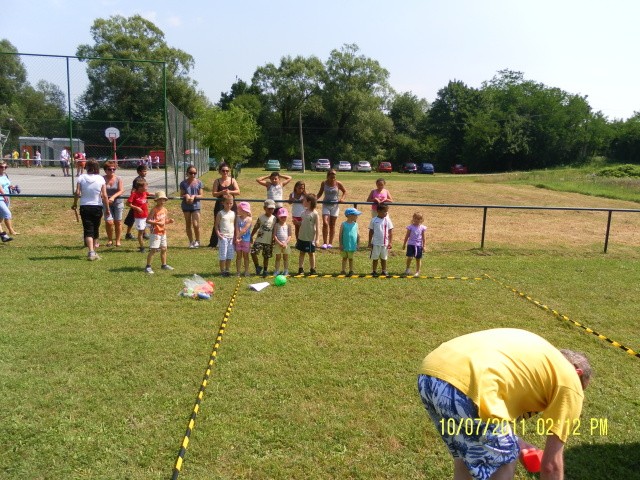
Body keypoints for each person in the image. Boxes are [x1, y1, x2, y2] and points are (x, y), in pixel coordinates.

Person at [418, 328, 592, 480]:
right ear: (577, 372)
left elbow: (495, 424)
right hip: (470, 388)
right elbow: (551, 466)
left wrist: (520, 444)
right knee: (505, 461)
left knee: (465, 451)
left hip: (431, 375)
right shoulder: (570, 381)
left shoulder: (539, 358)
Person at [72, 159, 110, 261]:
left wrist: (75, 203)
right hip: (97, 206)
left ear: (86, 167)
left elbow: (77, 192)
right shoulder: (100, 179)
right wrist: (107, 209)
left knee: (88, 229)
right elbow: (104, 195)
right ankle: (93, 251)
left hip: (85, 206)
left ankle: (91, 251)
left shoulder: (81, 177)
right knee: (95, 228)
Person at [208, 162, 240, 248]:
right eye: (223, 170)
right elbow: (214, 194)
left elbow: (238, 191)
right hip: (220, 204)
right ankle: (214, 243)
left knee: (234, 221)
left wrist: (230, 192)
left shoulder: (233, 180)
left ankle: (234, 240)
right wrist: (221, 192)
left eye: (227, 171)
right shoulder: (217, 181)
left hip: (231, 204)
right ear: (220, 171)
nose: (225, 172)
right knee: (217, 222)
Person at [144, 191, 175, 274]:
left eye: (163, 199)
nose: (162, 201)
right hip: (155, 232)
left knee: (164, 248)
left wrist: (169, 221)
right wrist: (157, 223)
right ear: (156, 200)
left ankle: (164, 265)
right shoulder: (154, 210)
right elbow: (148, 220)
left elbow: (164, 221)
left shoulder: (165, 210)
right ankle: (148, 266)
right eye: (160, 199)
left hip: (163, 232)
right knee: (153, 249)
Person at [316, 169, 347, 249]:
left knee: (332, 224)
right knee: (325, 223)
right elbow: (320, 193)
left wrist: (342, 198)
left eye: (334, 175)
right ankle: (324, 243)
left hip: (335, 206)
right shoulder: (324, 183)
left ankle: (330, 243)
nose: (333, 176)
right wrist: (314, 199)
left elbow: (345, 191)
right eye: (332, 174)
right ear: (328, 175)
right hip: (326, 205)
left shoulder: (338, 183)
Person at [250, 199, 276, 276]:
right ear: (264, 208)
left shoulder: (274, 218)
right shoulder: (261, 217)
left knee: (266, 256)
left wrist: (274, 238)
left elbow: (275, 229)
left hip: (269, 240)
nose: (271, 210)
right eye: (269, 208)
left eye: (272, 208)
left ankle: (265, 270)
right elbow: (256, 227)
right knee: (253, 252)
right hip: (260, 239)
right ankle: (257, 266)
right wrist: (251, 235)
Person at [179, 165, 203, 248]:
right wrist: (186, 195)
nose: (193, 175)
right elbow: (181, 194)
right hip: (186, 206)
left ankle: (198, 241)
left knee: (196, 224)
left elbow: (201, 195)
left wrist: (193, 196)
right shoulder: (183, 183)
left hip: (196, 206)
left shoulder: (199, 182)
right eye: (191, 173)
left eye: (194, 173)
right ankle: (191, 242)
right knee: (188, 224)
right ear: (187, 173)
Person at [296, 193, 320, 275]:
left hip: (310, 238)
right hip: (302, 237)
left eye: (304, 200)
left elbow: (318, 227)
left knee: (311, 253)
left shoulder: (315, 214)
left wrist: (317, 239)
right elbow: (302, 223)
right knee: (302, 252)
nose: (303, 201)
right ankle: (300, 268)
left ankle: (312, 269)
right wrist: (297, 222)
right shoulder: (303, 213)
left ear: (309, 202)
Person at [102, 160, 124, 247]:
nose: (112, 171)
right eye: (109, 169)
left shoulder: (118, 178)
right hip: (106, 203)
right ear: (105, 170)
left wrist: (113, 197)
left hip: (118, 202)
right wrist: (106, 199)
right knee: (109, 222)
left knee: (118, 222)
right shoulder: (102, 179)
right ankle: (110, 240)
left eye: (113, 169)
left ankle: (118, 240)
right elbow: (100, 191)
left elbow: (121, 190)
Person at [368, 203, 393, 276]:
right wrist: (369, 242)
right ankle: (374, 271)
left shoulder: (387, 220)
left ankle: (384, 271)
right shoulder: (373, 220)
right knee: (375, 258)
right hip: (376, 243)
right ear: (378, 211)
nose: (386, 213)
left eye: (387, 211)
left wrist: (390, 242)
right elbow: (371, 231)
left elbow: (390, 232)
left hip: (385, 243)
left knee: (384, 258)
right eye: (384, 211)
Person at [124, 164, 149, 240]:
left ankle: (144, 233)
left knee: (143, 218)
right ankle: (128, 234)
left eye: (146, 171)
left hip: (141, 203)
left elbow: (144, 192)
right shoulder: (137, 180)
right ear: (139, 172)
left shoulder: (142, 179)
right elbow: (134, 190)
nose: (145, 172)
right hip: (136, 203)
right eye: (144, 171)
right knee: (131, 218)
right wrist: (135, 199)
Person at [214, 194, 236, 277]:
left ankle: (227, 270)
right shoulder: (220, 213)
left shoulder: (233, 213)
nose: (229, 205)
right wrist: (218, 234)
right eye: (227, 203)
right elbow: (216, 225)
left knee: (229, 255)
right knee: (223, 254)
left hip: (231, 237)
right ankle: (222, 271)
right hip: (223, 237)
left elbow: (234, 225)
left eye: (231, 203)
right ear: (223, 203)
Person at [126, 178, 149, 253]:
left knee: (152, 230)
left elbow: (150, 194)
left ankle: (153, 246)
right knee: (141, 232)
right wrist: (136, 208)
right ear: (140, 187)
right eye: (145, 186)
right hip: (139, 217)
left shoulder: (144, 193)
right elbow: (128, 203)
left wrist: (158, 195)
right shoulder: (134, 194)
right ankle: (142, 247)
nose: (147, 188)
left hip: (146, 216)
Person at [402, 212, 427, 277]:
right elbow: (407, 236)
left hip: (418, 245)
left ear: (421, 220)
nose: (416, 220)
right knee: (410, 257)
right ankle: (407, 269)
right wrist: (404, 244)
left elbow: (424, 238)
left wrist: (424, 246)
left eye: (418, 219)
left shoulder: (422, 228)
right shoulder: (410, 227)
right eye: (415, 218)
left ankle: (417, 271)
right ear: (413, 218)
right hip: (410, 244)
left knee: (418, 259)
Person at [339, 207, 361, 276]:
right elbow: (340, 235)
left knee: (351, 258)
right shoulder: (343, 224)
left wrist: (358, 244)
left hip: (352, 245)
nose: (357, 216)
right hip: (345, 245)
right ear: (349, 215)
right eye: (355, 215)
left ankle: (351, 270)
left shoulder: (356, 224)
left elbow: (358, 235)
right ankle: (343, 270)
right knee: (344, 258)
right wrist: (341, 244)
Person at [235, 201, 253, 276]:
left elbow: (244, 229)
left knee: (246, 256)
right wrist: (237, 238)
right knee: (238, 256)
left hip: (246, 240)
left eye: (239, 209)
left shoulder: (249, 219)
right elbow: (236, 228)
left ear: (244, 210)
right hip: (238, 240)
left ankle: (246, 271)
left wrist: (238, 237)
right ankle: (238, 272)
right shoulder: (237, 218)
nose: (237, 210)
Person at [272, 207, 292, 276]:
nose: (283, 218)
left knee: (285, 258)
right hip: (278, 244)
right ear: (278, 217)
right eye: (281, 217)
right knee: (278, 258)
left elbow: (289, 235)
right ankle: (277, 270)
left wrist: (285, 243)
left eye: (285, 217)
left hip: (286, 244)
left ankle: (286, 270)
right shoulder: (276, 225)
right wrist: (279, 243)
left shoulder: (288, 225)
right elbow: (274, 235)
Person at [0, 161, 17, 239]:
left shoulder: (5, 175)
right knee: (7, 214)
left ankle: (4, 234)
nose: (3, 168)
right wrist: (4, 195)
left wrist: (12, 187)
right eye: (1, 167)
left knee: (1, 216)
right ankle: (11, 231)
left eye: (5, 167)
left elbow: (8, 184)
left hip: (7, 197)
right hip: (1, 198)